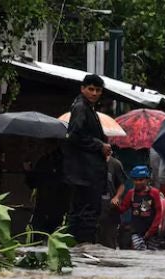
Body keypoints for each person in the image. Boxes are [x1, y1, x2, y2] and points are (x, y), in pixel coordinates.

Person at [62, 74, 110, 243]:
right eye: (91, 89)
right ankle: (82, 246)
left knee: (82, 213)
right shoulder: (81, 107)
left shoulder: (86, 108)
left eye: (98, 90)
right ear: (83, 89)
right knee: (86, 213)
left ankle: (79, 246)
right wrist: (99, 145)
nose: (94, 93)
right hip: (84, 173)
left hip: (85, 172)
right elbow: (75, 135)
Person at [24, 142, 68, 234]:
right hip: (56, 205)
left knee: (40, 232)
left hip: (46, 204)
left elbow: (33, 182)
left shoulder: (46, 161)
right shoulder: (65, 162)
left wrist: (29, 172)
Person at [118, 165, 163, 250]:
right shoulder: (131, 193)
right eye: (135, 180)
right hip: (136, 231)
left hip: (152, 231)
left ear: (147, 180)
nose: (138, 182)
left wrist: (151, 230)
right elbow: (122, 209)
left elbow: (159, 212)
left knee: (153, 254)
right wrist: (116, 204)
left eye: (141, 180)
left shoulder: (154, 193)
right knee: (139, 250)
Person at [96, 150, 127, 248]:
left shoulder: (115, 164)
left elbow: (122, 185)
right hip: (94, 207)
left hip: (110, 208)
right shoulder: (91, 162)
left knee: (109, 240)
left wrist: (117, 197)